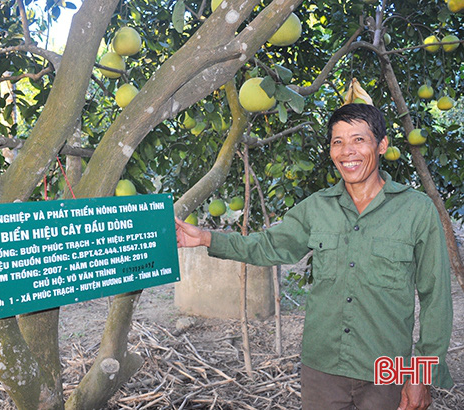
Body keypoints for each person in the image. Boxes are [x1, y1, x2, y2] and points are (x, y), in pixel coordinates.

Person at [175, 103, 453, 410]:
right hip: (323, 368)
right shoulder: (317, 207)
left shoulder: (416, 210)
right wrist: (204, 237)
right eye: (338, 142)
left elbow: (435, 297)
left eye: (358, 140)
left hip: (386, 369)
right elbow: (267, 246)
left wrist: (422, 374)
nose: (348, 151)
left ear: (382, 144)